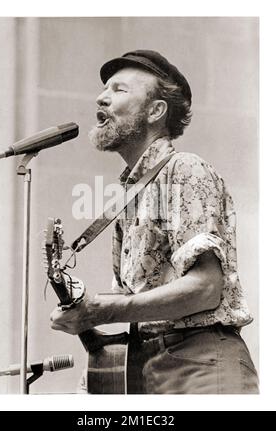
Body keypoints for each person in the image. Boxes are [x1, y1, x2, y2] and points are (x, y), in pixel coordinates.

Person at [50, 50, 259, 394]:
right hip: (146, 372)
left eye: (118, 90)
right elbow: (130, 301)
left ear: (155, 111)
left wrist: (103, 310)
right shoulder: (126, 197)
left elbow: (206, 289)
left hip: (201, 368)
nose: (101, 97)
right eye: (104, 89)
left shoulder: (185, 169)